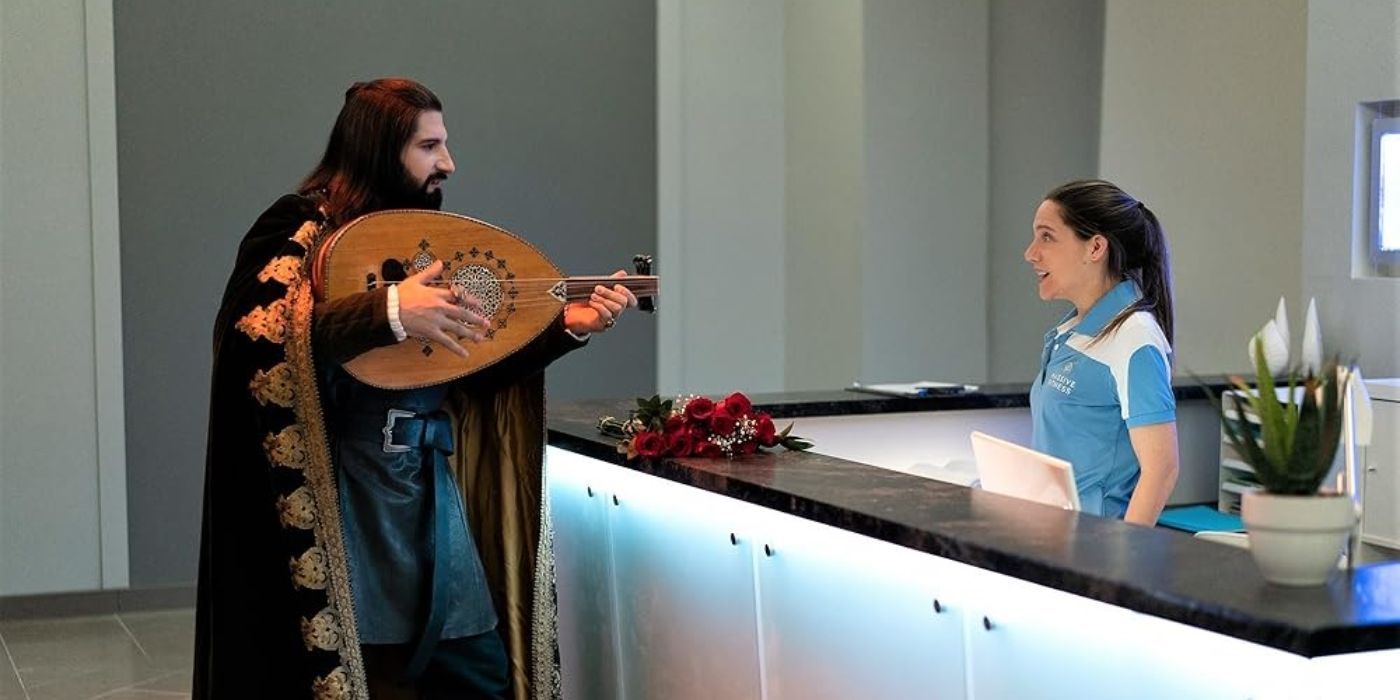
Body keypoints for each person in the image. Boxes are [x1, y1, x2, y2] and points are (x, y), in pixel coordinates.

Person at [195, 77, 636, 699]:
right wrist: (389, 311)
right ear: (381, 148)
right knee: (369, 675)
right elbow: (254, 341)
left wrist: (566, 328)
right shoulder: (297, 226)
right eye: (430, 147)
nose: (448, 163)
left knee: (477, 669)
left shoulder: (412, 234)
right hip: (347, 502)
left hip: (428, 494)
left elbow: (464, 365)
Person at [1023, 179, 1179, 525]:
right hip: (1053, 539)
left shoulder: (1134, 337)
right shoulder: (1071, 332)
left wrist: (1116, 564)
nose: (1031, 253)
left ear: (1095, 248)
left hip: (1095, 549)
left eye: (1046, 236)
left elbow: (1162, 470)